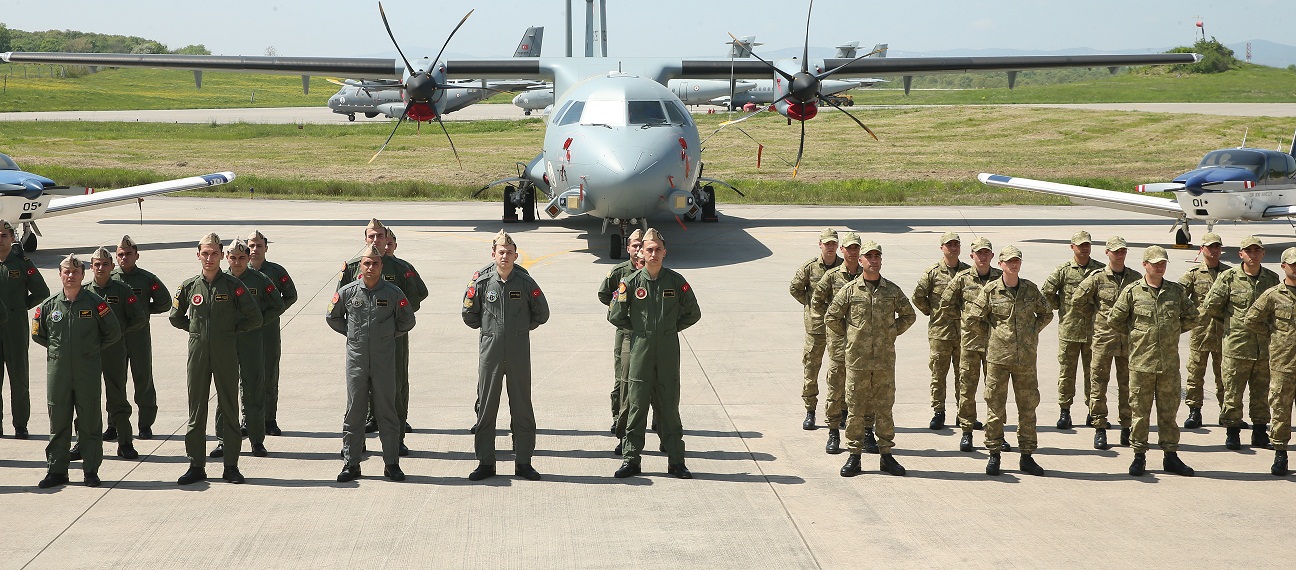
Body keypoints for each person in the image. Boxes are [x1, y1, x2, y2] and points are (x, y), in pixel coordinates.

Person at [170, 233, 263, 485]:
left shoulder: (233, 287)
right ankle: (196, 465)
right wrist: (195, 330)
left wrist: (230, 331)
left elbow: (254, 317)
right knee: (196, 410)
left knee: (230, 409)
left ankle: (231, 465)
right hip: (198, 353)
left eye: (214, 253)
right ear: (198, 254)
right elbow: (175, 316)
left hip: (225, 353)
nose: (209, 258)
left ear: (222, 255)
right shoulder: (189, 286)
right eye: (205, 253)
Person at [609, 228, 700, 479]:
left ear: (664, 252)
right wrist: (640, 331)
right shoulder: (630, 282)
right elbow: (615, 315)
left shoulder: (676, 281)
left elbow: (693, 313)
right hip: (640, 351)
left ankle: (676, 461)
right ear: (641, 252)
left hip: (668, 353)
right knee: (636, 405)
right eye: (649, 249)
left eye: (658, 249)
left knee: (669, 407)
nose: (653, 253)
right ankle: (631, 460)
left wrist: (669, 330)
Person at [463, 230, 550, 481]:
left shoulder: (524, 281)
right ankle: (485, 463)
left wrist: (520, 329)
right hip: (490, 351)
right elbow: (469, 315)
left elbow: (541, 313)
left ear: (515, 255)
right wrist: (491, 331)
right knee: (487, 407)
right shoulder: (481, 282)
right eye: (500, 252)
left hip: (518, 349)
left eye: (509, 253)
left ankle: (523, 461)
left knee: (522, 406)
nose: (504, 256)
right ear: (493, 254)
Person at [825, 240, 915, 477]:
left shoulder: (892, 291)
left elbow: (909, 315)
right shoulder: (850, 290)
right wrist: (853, 336)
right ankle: (854, 456)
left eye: (877, 256)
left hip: (884, 361)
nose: (873, 260)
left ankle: (886, 455)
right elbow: (832, 317)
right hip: (857, 361)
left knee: (884, 409)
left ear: (881, 260)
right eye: (869, 256)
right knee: (855, 409)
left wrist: (891, 331)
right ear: (861, 261)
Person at [327, 244, 416, 482]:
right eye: (367, 263)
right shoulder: (348, 292)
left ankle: (391, 464)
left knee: (387, 411)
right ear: (361, 266)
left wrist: (387, 335)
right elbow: (332, 317)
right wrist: (352, 334)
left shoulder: (393, 292)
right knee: (355, 412)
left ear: (381, 266)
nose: (370, 267)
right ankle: (351, 463)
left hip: (384, 361)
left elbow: (407, 321)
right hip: (356, 360)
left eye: (375, 263)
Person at [32, 253, 120, 488]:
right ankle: (56, 471)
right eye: (66, 271)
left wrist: (89, 350)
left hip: (87, 371)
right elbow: (38, 334)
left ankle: (91, 470)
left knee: (90, 421)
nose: (71, 275)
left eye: (75, 272)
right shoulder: (49, 306)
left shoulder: (95, 304)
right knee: (58, 421)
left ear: (83, 275)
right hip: (58, 372)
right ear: (60, 274)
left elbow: (113, 332)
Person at [337, 220, 425, 453]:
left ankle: (396, 440)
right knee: (358, 391)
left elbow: (417, 297)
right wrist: (354, 330)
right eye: (371, 236)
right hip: (361, 342)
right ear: (365, 239)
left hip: (393, 339)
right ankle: (358, 443)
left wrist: (391, 323)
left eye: (379, 236)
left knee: (395, 387)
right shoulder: (353, 267)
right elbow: (339, 302)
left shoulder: (400, 268)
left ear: (387, 239)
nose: (375, 240)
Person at [1108, 245, 1197, 477]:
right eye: (1155, 263)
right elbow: (1115, 320)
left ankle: (1171, 456)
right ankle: (1139, 456)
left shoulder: (1175, 292)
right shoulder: (1132, 291)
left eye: (1163, 263)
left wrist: (1172, 331)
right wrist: (1139, 334)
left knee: (1169, 413)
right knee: (1140, 414)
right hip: (1141, 364)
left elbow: (1192, 317)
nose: (1160, 266)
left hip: (1168, 365)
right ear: (1144, 265)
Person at [970, 245, 1053, 476]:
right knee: (995, 407)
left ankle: (1026, 455)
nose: (1013, 264)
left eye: (1017, 261)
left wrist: (1031, 332)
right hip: (998, 359)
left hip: (1025, 360)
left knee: (1028, 408)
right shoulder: (990, 291)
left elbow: (1047, 313)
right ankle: (994, 454)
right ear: (1001, 264)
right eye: (1009, 261)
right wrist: (991, 338)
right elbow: (974, 319)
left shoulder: (1030, 289)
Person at [1200, 235, 1280, 450]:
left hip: (1263, 347)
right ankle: (1232, 432)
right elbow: (1212, 306)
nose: (1253, 255)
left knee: (1261, 393)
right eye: (1249, 251)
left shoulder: (1271, 279)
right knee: (1232, 392)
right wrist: (1230, 323)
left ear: (1263, 253)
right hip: (1236, 346)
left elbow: (1275, 310)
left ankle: (1260, 432)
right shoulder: (1228, 278)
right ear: (1241, 254)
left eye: (1257, 251)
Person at [208, 239, 284, 459]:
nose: (238, 262)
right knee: (225, 393)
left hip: (252, 342)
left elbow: (277, 305)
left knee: (254, 391)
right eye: (233, 258)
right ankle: (224, 440)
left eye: (242, 258)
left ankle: (257, 440)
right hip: (227, 343)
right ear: (227, 258)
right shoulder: (218, 281)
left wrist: (258, 322)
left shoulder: (260, 280)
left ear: (248, 258)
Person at [1071, 236, 1141, 449]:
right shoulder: (1097, 278)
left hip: (1128, 341)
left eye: (1123, 251)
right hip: (1103, 339)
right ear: (1107, 253)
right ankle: (1100, 427)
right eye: (1116, 251)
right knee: (1098, 384)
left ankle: (1127, 427)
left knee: (1128, 386)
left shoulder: (1135, 278)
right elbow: (1077, 300)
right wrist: (1095, 315)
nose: (1119, 254)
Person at [810, 232, 871, 455]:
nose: (853, 252)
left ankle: (866, 432)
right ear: (842, 250)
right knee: (836, 387)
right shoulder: (833, 276)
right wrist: (834, 324)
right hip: (838, 341)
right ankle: (833, 432)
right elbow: (816, 302)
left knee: (863, 388)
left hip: (862, 343)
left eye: (857, 248)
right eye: (849, 248)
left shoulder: (868, 275)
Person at [85, 247, 147, 460]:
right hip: (90, 353)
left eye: (105, 264)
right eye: (96, 264)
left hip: (114, 351)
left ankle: (125, 442)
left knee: (117, 396)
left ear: (112, 266)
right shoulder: (84, 292)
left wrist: (119, 333)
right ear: (91, 267)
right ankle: (83, 442)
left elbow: (138, 318)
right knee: (85, 398)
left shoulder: (122, 290)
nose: (101, 268)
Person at [940, 236, 1001, 452]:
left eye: (987, 252)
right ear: (972, 256)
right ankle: (966, 431)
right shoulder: (962, 279)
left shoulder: (1001, 278)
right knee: (967, 388)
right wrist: (964, 319)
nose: (983, 256)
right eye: (979, 253)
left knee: (995, 390)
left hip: (996, 345)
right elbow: (945, 303)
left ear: (992, 256)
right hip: (971, 343)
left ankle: (996, 433)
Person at [1042, 230, 1105, 430]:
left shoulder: (1100, 270)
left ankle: (1093, 411)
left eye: (1087, 245)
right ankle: (1065, 412)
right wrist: (1060, 306)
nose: (1084, 249)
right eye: (1080, 245)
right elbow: (1047, 291)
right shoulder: (1064, 270)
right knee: (1067, 374)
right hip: (1069, 331)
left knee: (1094, 374)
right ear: (1072, 247)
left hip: (1094, 332)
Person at [112, 235, 171, 441]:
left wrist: (145, 311)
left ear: (137, 255)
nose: (124, 257)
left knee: (143, 379)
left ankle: (145, 424)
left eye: (128, 254)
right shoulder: (110, 279)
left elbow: (165, 302)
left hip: (139, 337)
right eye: (120, 254)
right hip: (114, 339)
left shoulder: (147, 279)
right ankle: (114, 423)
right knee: (115, 381)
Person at [1244, 247, 1296, 476]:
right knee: (1281, 411)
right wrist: (1274, 334)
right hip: (1283, 364)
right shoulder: (1273, 294)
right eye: (1293, 264)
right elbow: (1251, 319)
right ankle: (1280, 453)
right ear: (1283, 266)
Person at [912, 231, 969, 430]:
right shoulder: (933, 273)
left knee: (964, 374)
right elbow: (918, 296)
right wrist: (933, 312)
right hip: (940, 333)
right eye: (949, 244)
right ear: (942, 248)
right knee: (938, 374)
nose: (953, 248)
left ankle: (963, 414)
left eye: (956, 244)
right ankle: (939, 412)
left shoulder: (968, 273)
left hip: (964, 334)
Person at [0, 219, 50, 439]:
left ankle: (21, 424)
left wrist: (20, 308)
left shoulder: (22, 263)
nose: (0, 240)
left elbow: (41, 291)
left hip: (15, 328)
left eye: (4, 235)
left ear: (12, 238)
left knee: (19, 378)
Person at [789, 228, 842, 430]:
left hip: (838, 328)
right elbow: (795, 288)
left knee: (839, 370)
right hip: (816, 328)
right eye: (826, 243)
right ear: (820, 244)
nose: (830, 247)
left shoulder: (845, 267)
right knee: (811, 369)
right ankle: (810, 410)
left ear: (837, 245)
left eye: (833, 243)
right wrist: (810, 306)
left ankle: (841, 410)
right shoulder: (810, 268)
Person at [247, 230, 297, 436]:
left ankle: (269, 419)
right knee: (245, 377)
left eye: (259, 245)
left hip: (268, 330)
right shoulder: (238, 271)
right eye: (251, 245)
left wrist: (272, 313)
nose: (255, 249)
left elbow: (291, 295)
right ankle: (247, 419)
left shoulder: (276, 272)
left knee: (269, 374)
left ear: (266, 248)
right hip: (245, 331)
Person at [1177, 233, 1229, 428]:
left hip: (1224, 334)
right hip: (1201, 333)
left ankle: (1227, 412)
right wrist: (1190, 318)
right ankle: (1194, 411)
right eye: (1210, 247)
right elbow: (1178, 296)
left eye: (1217, 247)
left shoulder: (1228, 274)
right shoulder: (1193, 274)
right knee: (1195, 374)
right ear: (1202, 249)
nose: (1214, 250)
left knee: (1225, 375)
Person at [598, 229, 644, 444]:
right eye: (634, 245)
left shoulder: (653, 271)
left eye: (641, 246)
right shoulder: (619, 272)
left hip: (646, 335)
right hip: (625, 332)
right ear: (628, 248)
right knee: (622, 380)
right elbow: (604, 293)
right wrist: (616, 310)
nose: (638, 250)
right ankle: (619, 419)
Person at [382, 227, 428, 435]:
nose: (386, 246)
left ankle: (401, 418)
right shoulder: (365, 265)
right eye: (385, 242)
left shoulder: (402, 267)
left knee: (399, 377)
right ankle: (372, 417)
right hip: (371, 332)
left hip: (396, 331)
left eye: (390, 243)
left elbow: (420, 293)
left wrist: (402, 314)